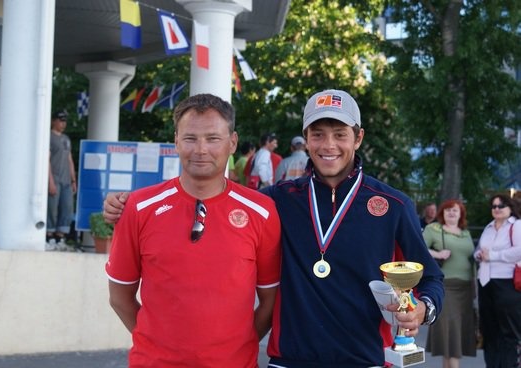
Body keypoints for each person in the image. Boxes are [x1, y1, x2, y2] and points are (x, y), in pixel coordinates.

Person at [104, 89, 444, 367]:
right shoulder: (275, 201)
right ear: (306, 139)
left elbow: (430, 278)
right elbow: (212, 197)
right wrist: (124, 204)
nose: (328, 146)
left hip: (364, 359)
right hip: (290, 361)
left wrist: (422, 309)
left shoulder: (392, 205)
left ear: (358, 138)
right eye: (318, 134)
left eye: (340, 135)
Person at [105, 93, 282, 368]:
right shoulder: (138, 208)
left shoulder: (262, 211)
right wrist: (157, 343)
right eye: (190, 138)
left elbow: (271, 302)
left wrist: (238, 345)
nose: (201, 149)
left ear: (232, 142)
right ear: (176, 141)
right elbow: (119, 297)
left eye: (213, 138)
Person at [423, 199, 476, 368]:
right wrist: (438, 255)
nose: (451, 213)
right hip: (446, 287)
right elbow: (418, 248)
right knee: (450, 334)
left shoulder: (465, 232)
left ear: (461, 213)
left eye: (455, 210)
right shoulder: (434, 229)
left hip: (466, 289)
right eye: (448, 210)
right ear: (442, 213)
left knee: (455, 336)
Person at [474, 193, 521, 368]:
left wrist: (493, 255)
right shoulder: (489, 227)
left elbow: (519, 250)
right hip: (486, 283)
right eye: (493, 206)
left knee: (509, 332)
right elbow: (478, 249)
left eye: (501, 206)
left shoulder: (516, 225)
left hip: (507, 283)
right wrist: (479, 255)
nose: (496, 209)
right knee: (490, 331)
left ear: (510, 207)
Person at [46, 109, 77, 251]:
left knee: (67, 207)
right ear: (53, 121)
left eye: (64, 121)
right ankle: (49, 236)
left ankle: (60, 237)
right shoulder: (49, 137)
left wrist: (73, 180)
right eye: (60, 120)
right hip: (55, 177)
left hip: (66, 180)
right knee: (52, 208)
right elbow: (46, 159)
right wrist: (50, 181)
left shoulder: (66, 139)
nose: (62, 123)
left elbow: (69, 159)